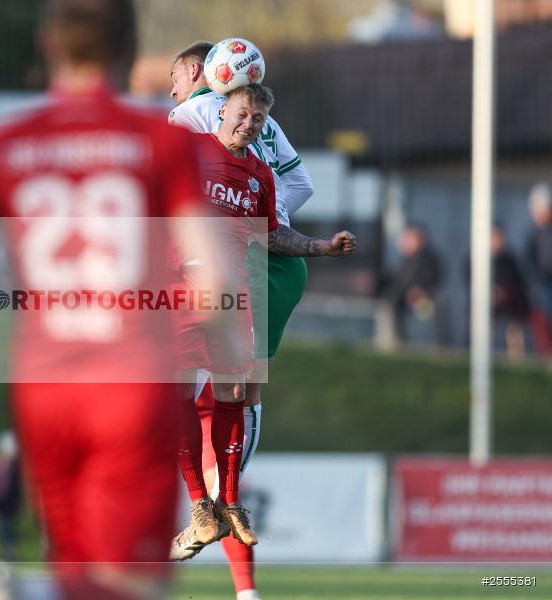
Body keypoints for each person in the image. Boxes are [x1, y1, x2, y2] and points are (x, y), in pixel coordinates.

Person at [0, 1, 231, 597]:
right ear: (126, 50)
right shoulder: (158, 142)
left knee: (79, 568)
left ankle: (35, 591)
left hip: (43, 389)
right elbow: (215, 281)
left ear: (46, 45)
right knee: (131, 584)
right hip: (131, 385)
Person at [172, 84, 357, 595]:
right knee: (174, 396)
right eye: (241, 113)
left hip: (234, 298)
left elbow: (273, 235)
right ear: (221, 112)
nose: (247, 123)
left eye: (257, 119)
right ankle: (200, 507)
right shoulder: (188, 154)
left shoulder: (259, 175)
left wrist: (321, 246)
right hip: (184, 291)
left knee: (234, 394)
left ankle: (227, 505)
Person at [166, 39, 313, 600]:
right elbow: (301, 188)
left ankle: (227, 559)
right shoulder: (246, 144)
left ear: (202, 74)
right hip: (249, 278)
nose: (171, 88)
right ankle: (233, 572)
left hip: (244, 281)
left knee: (218, 462)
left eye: (177, 75)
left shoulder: (195, 120)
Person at [384, 223, 443, 343]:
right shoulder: (403, 260)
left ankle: (436, 345)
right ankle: (399, 341)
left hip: (425, 299)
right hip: (404, 300)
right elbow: (397, 282)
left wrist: (419, 292)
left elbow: (434, 278)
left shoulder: (430, 259)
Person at [490, 224, 531, 359]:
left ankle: (516, 357)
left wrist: (504, 291)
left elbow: (517, 279)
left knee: (514, 324)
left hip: (509, 301)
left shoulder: (509, 257)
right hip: (489, 301)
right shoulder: (480, 258)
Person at [0, 430, 22, 562]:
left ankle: (10, 552)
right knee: (5, 528)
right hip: (7, 502)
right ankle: (8, 551)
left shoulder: (10, 466)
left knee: (7, 528)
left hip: (7, 502)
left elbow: (4, 486)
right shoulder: (11, 465)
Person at [527, 182, 552, 354]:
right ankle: (546, 351)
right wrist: (535, 278)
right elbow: (529, 260)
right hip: (544, 281)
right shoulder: (533, 234)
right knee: (542, 311)